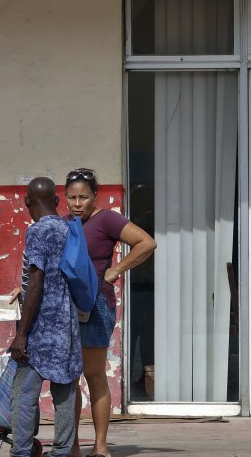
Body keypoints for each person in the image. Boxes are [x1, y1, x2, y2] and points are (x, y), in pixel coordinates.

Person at [65, 168, 156, 457]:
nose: (77, 203)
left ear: (95, 196)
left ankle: (100, 447)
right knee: (69, 379)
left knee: (94, 375)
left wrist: (116, 269)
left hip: (96, 305)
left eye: (83, 197)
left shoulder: (106, 219)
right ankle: (74, 446)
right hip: (67, 309)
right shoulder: (64, 223)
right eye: (71, 197)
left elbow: (146, 242)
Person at [7, 177, 82, 457]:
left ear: (27, 202)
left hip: (42, 328)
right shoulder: (67, 228)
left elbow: (36, 284)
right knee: (64, 393)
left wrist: (22, 333)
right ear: (58, 201)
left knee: (24, 394)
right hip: (68, 325)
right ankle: (62, 452)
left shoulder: (38, 232)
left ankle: (22, 452)